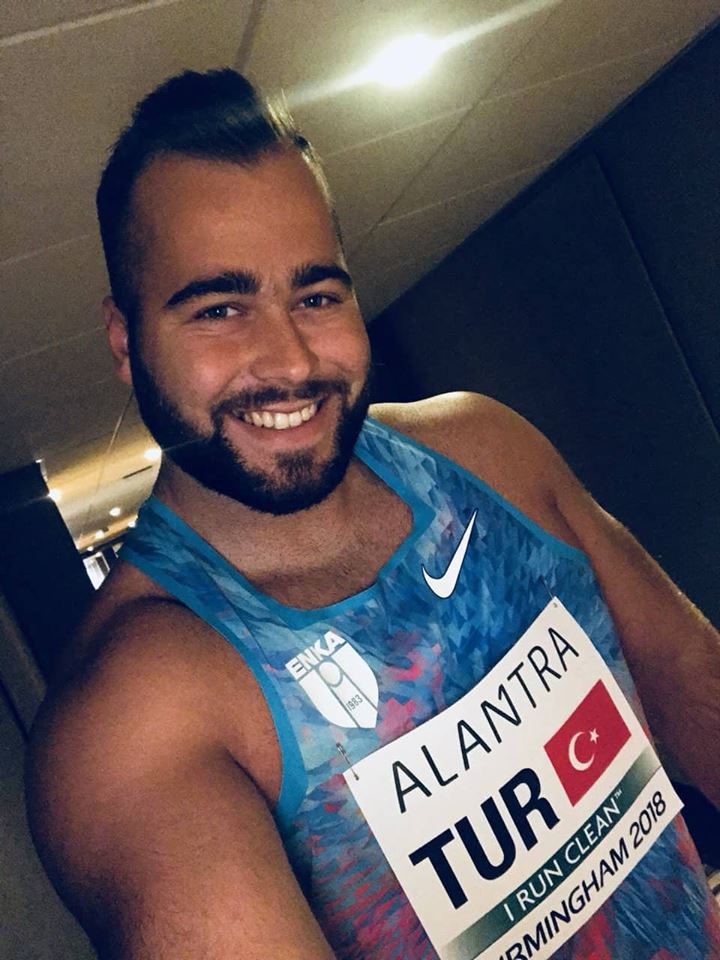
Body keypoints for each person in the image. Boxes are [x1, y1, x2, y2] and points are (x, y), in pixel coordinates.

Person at [26, 68, 720, 960]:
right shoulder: (134, 716)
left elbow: (689, 673)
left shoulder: (483, 449)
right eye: (219, 308)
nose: (289, 360)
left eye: (316, 296)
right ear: (128, 343)